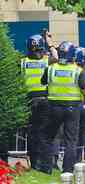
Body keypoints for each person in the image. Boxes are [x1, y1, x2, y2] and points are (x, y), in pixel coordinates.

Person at [39, 41, 85, 174]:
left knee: (47, 137)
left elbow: (43, 81)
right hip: (72, 109)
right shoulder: (77, 71)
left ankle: (46, 168)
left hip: (53, 107)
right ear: (73, 55)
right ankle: (67, 170)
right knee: (70, 141)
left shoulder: (50, 68)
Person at [21, 34, 50, 169]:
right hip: (45, 100)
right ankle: (46, 164)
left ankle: (35, 164)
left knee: (32, 133)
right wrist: (50, 42)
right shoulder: (47, 60)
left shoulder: (22, 62)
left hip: (29, 101)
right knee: (44, 132)